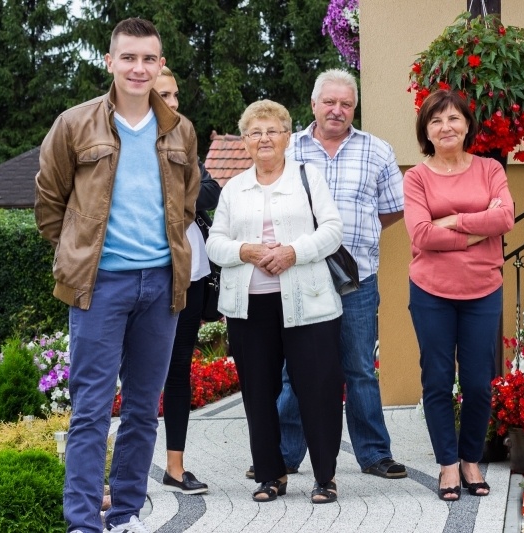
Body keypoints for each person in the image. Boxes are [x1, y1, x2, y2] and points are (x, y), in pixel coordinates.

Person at [34, 18, 200, 533]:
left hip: (162, 286)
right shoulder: (74, 124)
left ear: (161, 64)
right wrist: (79, 252)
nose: (138, 68)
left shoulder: (181, 130)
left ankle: (125, 516)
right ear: (110, 61)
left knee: (142, 410)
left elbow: (188, 202)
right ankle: (83, 523)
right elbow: (48, 201)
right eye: (128, 57)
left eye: (149, 58)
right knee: (89, 412)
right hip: (99, 287)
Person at [206, 99, 345, 504]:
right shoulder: (234, 188)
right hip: (251, 306)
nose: (264, 138)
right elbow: (215, 243)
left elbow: (333, 230)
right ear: (245, 142)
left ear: (288, 136)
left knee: (317, 389)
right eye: (255, 132)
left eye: (272, 130)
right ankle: (270, 475)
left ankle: (325, 476)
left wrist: (293, 252)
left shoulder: (309, 177)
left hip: (309, 303)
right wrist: (245, 250)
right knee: (258, 392)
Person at [275, 68, 407, 480]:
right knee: (295, 369)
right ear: (313, 105)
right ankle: (283, 455)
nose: (337, 110)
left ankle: (373, 454)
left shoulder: (377, 151)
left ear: (354, 107)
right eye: (329, 102)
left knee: (360, 368)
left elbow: (393, 208)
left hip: (358, 278)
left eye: (346, 104)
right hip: (300, 276)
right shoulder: (288, 148)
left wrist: (358, 237)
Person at [403, 90, 515, 501]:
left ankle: (471, 460)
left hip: (483, 290)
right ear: (426, 131)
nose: (445, 127)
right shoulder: (416, 177)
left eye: (453, 119)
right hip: (432, 291)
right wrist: (477, 232)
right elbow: (420, 234)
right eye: (436, 121)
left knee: (478, 384)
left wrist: (452, 220)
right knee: (436, 379)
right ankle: (448, 466)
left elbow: (506, 217)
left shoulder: (489, 168)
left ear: (468, 124)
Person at [154, 66, 221, 495]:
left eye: (175, 94)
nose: (174, 103)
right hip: (148, 272)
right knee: (138, 373)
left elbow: (213, 193)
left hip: (193, 273)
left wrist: (182, 185)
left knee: (179, 369)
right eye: (166, 95)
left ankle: (175, 468)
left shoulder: (185, 141)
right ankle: (120, 470)